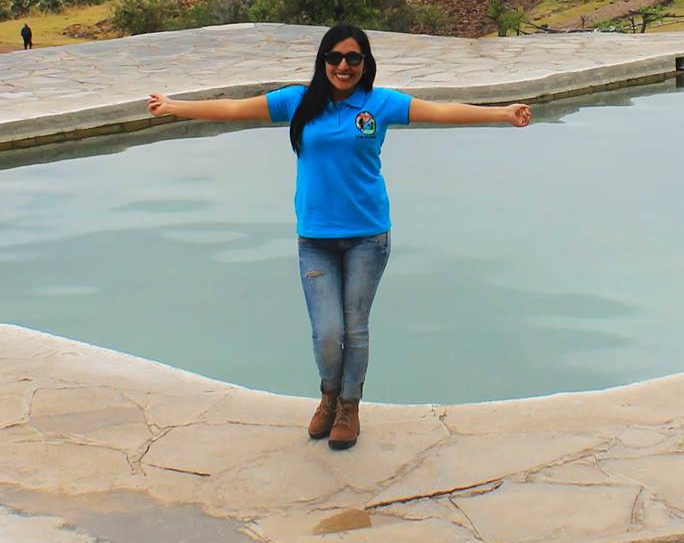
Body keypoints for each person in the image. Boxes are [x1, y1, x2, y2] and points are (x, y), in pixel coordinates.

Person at [146, 24, 530, 449]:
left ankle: (350, 405)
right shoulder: (299, 102)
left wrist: (501, 113)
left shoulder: (379, 103)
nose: (343, 66)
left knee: (356, 328)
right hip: (315, 239)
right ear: (322, 61)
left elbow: (438, 112)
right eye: (334, 57)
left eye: (353, 58)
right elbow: (236, 109)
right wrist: (173, 106)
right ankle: (328, 396)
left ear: (365, 64)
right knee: (327, 331)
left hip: (368, 236)